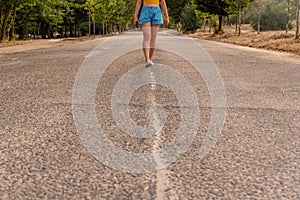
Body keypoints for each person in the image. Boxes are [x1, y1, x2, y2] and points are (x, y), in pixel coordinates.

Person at [133, 0, 169, 66]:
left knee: (153, 38)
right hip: (145, 11)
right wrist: (135, 16)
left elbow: (162, 2)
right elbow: (139, 2)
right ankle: (147, 59)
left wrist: (167, 16)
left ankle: (150, 58)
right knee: (147, 37)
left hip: (157, 11)